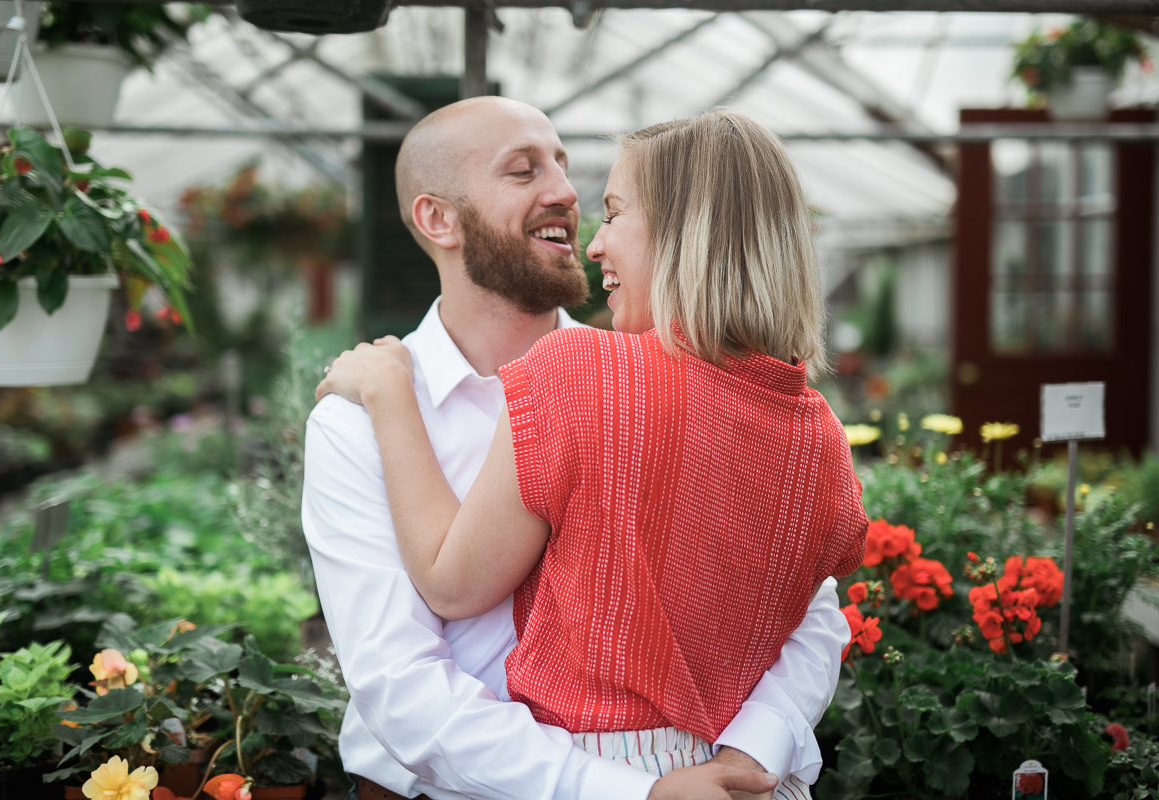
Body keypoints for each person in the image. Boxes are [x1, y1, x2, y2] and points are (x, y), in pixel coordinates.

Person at [303, 98, 853, 800]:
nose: (566, 193)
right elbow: (399, 683)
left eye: (564, 167)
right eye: (523, 170)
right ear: (437, 219)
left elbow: (808, 606)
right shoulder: (353, 424)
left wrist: (751, 750)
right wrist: (635, 791)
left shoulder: (639, 377)